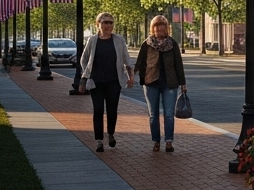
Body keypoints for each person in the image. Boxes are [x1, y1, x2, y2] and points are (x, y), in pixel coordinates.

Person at [77, 12, 133, 151]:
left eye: (110, 22)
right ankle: (99, 140)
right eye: (105, 22)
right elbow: (84, 59)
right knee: (98, 110)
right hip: (96, 82)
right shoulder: (92, 40)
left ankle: (111, 134)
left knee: (112, 110)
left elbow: (127, 60)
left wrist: (130, 77)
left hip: (114, 82)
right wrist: (86, 75)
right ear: (98, 24)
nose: (108, 25)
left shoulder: (119, 40)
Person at [135, 15, 187, 152]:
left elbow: (178, 64)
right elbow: (140, 63)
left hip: (169, 83)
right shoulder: (147, 44)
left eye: (162, 25)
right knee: (153, 114)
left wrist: (183, 83)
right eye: (156, 26)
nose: (159, 28)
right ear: (153, 28)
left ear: (166, 28)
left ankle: (169, 141)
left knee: (169, 113)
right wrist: (134, 77)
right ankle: (156, 141)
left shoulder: (172, 44)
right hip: (151, 82)